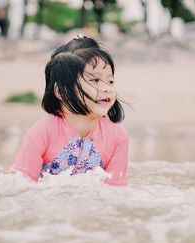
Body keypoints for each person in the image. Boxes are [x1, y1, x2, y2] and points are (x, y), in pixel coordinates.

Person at [9, 36, 129, 186]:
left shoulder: (118, 136)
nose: (107, 88)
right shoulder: (43, 131)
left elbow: (116, 188)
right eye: (95, 80)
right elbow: (19, 183)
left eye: (110, 81)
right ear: (62, 91)